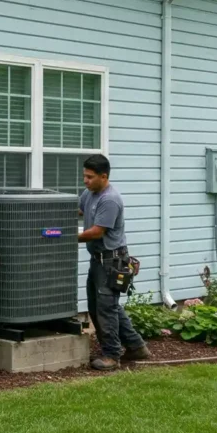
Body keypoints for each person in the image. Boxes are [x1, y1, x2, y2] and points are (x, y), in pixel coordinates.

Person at [78, 154, 151, 370]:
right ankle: (137, 346)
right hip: (97, 260)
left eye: (90, 177)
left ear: (104, 176)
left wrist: (63, 235)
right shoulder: (89, 193)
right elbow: (80, 211)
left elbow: (96, 232)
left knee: (106, 309)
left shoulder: (109, 199)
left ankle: (111, 356)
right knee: (100, 305)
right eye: (84, 176)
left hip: (111, 261)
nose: (85, 181)